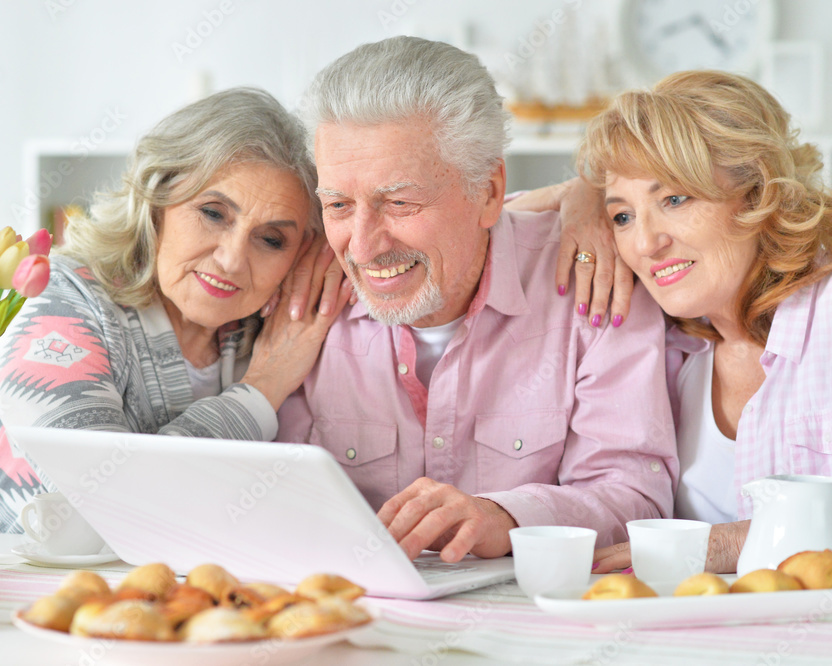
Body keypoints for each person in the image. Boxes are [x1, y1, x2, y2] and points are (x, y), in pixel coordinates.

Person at [276, 36, 679, 563]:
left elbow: (638, 497)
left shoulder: (594, 280)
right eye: (338, 204)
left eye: (399, 202)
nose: (363, 245)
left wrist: (508, 518)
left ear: (488, 193)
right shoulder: (303, 292)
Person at [0, 88, 351, 533]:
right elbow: (98, 512)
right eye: (213, 213)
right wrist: (262, 389)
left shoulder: (266, 329)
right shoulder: (61, 302)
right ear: (156, 199)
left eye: (271, 240)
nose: (232, 259)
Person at [561, 70, 832, 574]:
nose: (645, 243)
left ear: (757, 191)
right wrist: (574, 201)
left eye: (674, 200)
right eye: (622, 217)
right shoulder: (668, 345)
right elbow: (478, 216)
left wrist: (731, 545)